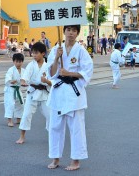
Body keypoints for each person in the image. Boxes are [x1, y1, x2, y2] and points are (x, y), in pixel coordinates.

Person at [47, 25, 93, 171]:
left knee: (76, 128)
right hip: (58, 92)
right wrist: (56, 58)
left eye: (74, 31)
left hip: (74, 93)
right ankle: (55, 158)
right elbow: (51, 73)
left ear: (77, 33)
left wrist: (70, 74)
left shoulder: (81, 50)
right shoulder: (56, 49)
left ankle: (76, 160)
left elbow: (87, 71)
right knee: (55, 127)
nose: (71, 33)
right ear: (64, 31)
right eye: (68, 30)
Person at [16, 42, 51, 144]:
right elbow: (24, 78)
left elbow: (52, 82)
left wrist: (46, 81)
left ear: (43, 53)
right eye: (33, 53)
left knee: (50, 116)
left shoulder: (48, 66)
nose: (34, 55)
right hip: (32, 92)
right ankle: (22, 136)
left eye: (36, 53)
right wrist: (23, 82)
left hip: (44, 94)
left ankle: (52, 135)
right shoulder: (31, 65)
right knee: (26, 114)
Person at [4, 53, 25, 127]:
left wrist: (25, 83)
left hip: (17, 89)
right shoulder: (11, 69)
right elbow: (7, 77)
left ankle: (18, 119)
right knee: (10, 104)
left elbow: (26, 79)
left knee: (20, 104)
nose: (18, 63)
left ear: (22, 62)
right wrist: (10, 81)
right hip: (10, 89)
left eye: (20, 61)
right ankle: (9, 120)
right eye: (17, 61)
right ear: (13, 62)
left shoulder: (23, 70)